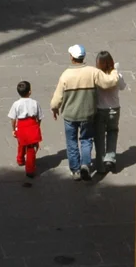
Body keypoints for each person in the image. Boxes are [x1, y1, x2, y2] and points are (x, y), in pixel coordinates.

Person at [50, 44, 123, 180]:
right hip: (88, 114)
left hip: (70, 115)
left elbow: (58, 97)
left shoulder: (66, 75)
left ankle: (75, 170)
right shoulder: (92, 72)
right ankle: (85, 164)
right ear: (83, 57)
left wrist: (54, 108)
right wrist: (114, 71)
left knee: (71, 142)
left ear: (72, 58)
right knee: (86, 140)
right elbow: (109, 82)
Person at [92, 50, 127, 173]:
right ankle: (110, 158)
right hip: (114, 109)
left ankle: (100, 165)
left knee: (99, 136)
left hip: (100, 109)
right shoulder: (116, 75)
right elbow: (123, 87)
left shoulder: (96, 76)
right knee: (112, 132)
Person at [9, 80, 43, 181]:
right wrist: (37, 126)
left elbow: (13, 118)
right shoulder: (35, 103)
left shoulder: (16, 104)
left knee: (21, 143)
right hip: (32, 124)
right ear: (30, 91)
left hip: (21, 126)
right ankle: (30, 169)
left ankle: (20, 159)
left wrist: (13, 129)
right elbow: (40, 117)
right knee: (31, 147)